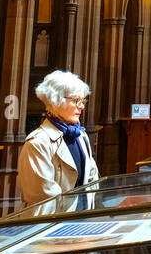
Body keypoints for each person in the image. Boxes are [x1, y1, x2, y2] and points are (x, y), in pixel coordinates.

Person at [18, 70, 100, 209]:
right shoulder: (38, 143)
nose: (82, 106)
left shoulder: (80, 135)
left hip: (82, 222)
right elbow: (44, 198)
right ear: (56, 101)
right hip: (54, 225)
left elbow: (92, 179)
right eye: (76, 101)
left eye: (83, 101)